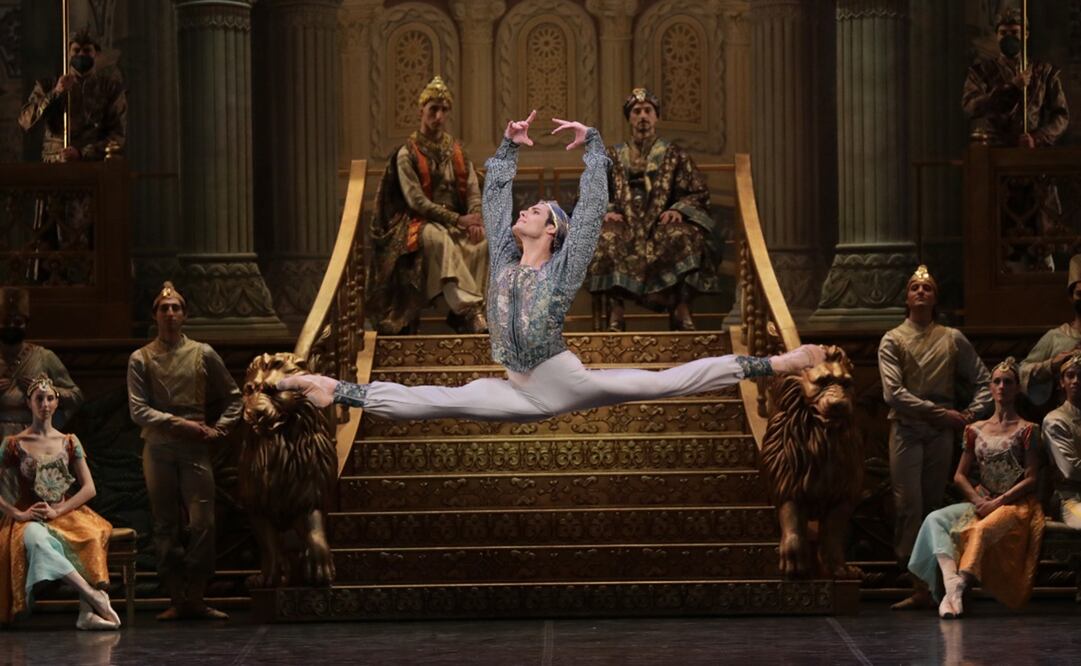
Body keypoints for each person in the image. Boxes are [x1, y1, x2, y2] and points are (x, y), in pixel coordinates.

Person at [279, 113, 825, 420]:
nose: (525, 209)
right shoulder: (506, 267)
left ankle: (777, 364)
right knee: (439, 401)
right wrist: (508, 148)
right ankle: (335, 389)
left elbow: (588, 216)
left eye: (537, 210)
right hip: (516, 387)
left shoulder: (559, 272)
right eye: (529, 206)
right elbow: (493, 204)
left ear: (552, 231)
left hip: (560, 382)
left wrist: (592, 148)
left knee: (661, 385)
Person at [879, 265, 992, 610]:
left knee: (931, 507)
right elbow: (893, 393)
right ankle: (913, 578)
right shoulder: (893, 339)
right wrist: (939, 412)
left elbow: (984, 380)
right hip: (909, 429)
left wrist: (971, 413)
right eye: (915, 287)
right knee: (907, 504)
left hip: (942, 432)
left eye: (927, 288)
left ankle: (935, 582)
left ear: (936, 297)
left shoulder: (951, 337)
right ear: (906, 297)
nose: (921, 292)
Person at [127, 282, 241, 621]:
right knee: (165, 523)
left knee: (203, 521)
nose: (170, 313)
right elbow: (138, 410)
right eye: (164, 308)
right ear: (155, 315)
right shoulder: (141, 358)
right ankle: (176, 597)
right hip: (159, 447)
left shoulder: (202, 353)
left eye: (176, 307)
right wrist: (180, 424)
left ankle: (197, 595)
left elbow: (234, 397)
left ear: (185, 314)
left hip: (195, 448)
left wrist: (220, 428)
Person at [907, 358, 1043, 618]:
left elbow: (1032, 478)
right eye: (997, 381)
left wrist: (998, 501)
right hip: (981, 501)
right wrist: (977, 499)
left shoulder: (1028, 430)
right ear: (990, 388)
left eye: (1008, 382)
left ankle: (956, 591)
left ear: (1017, 388)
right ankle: (951, 583)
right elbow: (959, 475)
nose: (1002, 386)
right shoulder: (975, 429)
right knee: (935, 519)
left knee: (979, 531)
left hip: (1014, 505)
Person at [587, 88, 722, 332]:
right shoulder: (612, 156)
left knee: (685, 237)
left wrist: (679, 209)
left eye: (648, 111)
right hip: (624, 223)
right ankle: (616, 310)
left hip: (660, 223)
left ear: (656, 117)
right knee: (605, 239)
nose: (642, 117)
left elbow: (698, 191)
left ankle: (681, 307)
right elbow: (591, 191)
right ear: (629, 118)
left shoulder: (674, 154)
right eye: (636, 112)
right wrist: (606, 210)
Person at [366, 75, 488, 334]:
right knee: (439, 240)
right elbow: (416, 201)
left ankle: (467, 316)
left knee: (483, 244)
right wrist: (458, 220)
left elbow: (473, 192)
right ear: (422, 110)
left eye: (444, 110)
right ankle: (469, 310)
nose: (439, 116)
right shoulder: (406, 153)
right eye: (434, 109)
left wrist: (475, 219)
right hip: (416, 223)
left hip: (456, 221)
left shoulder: (456, 151)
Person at [0, 375, 120, 630]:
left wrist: (59, 509)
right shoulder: (14, 443)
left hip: (64, 510)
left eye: (50, 398)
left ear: (56, 404)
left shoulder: (68, 441)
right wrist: (16, 514)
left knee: (90, 535)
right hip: (29, 513)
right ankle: (93, 595)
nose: (45, 404)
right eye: (39, 399)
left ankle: (86, 613)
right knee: (37, 540)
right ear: (29, 403)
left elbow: (89, 488)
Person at [962, 7, 1070, 272]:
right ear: (996, 36)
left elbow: (1060, 116)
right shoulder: (982, 71)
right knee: (999, 232)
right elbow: (971, 106)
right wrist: (1010, 88)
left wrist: (1038, 137)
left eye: (1014, 32)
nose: (1008, 37)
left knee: (1040, 232)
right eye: (1003, 33)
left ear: (1026, 34)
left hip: (1033, 162)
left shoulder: (1044, 72)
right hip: (998, 161)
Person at [0, 288, 83, 504]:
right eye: (5, 320)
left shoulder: (44, 357)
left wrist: (48, 390)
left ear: (26, 323)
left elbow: (75, 395)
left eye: (17, 321)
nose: (11, 326)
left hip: (34, 438)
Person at [18, 29, 127, 163]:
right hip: (55, 161)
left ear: (96, 54)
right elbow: (25, 120)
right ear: (68, 53)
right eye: (76, 50)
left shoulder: (110, 88)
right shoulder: (47, 85)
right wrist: (55, 92)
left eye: (87, 51)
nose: (81, 54)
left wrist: (83, 153)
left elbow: (118, 134)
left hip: (93, 165)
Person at [1020, 255, 1081, 410]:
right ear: (1071, 297)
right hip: (1063, 418)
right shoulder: (1055, 337)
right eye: (1080, 294)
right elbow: (1021, 373)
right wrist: (1051, 365)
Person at [1041, 352, 1081, 529]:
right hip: (1070, 498)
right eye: (1070, 375)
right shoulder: (1056, 420)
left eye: (1080, 375)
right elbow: (1071, 470)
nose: (1076, 381)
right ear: (1061, 382)